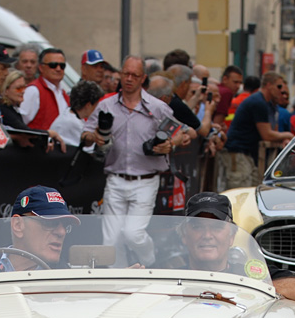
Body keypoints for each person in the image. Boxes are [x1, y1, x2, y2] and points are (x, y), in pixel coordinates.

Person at [82, 55, 183, 267]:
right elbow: (86, 132)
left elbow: (180, 132)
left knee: (133, 233)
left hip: (146, 179)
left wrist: (170, 144)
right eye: (125, 74)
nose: (129, 79)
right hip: (115, 178)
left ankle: (149, 260)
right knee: (110, 240)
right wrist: (95, 137)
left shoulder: (157, 107)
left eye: (134, 75)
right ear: (120, 74)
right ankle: (115, 280)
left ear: (142, 78)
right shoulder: (106, 105)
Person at [182, 192, 295, 310]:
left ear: (231, 236)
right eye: (198, 227)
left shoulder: (251, 276)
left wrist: (250, 287)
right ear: (184, 235)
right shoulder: (165, 275)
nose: (207, 235)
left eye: (217, 227)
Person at [218, 72, 293, 191]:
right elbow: (267, 134)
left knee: (252, 188)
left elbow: (273, 130)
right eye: (278, 87)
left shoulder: (268, 104)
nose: (281, 90)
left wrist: (282, 137)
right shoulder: (258, 102)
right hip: (238, 151)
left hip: (248, 153)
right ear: (269, 85)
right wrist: (288, 135)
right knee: (241, 190)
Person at [0, 185, 78, 271]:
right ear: (18, 225)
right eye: (50, 223)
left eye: (65, 225)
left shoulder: (71, 280)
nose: (61, 232)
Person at [0, 69, 65, 152]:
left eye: (24, 87)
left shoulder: (13, 109)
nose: (23, 91)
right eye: (18, 88)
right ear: (6, 90)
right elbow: (24, 131)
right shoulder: (4, 109)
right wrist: (49, 133)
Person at [20, 47, 69, 130]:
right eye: (53, 65)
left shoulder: (63, 93)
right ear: (41, 68)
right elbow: (20, 124)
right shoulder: (33, 91)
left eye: (62, 66)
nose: (58, 69)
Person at [49, 80, 102, 148]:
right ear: (88, 105)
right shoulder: (73, 123)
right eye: (96, 105)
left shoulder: (68, 113)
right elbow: (89, 151)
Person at [166, 64, 213, 139]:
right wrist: (208, 110)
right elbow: (204, 131)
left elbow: (184, 112)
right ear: (184, 84)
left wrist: (196, 97)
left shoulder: (170, 98)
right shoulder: (176, 103)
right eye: (189, 83)